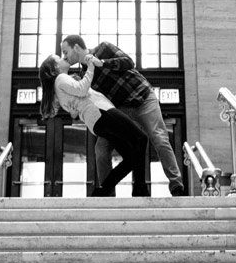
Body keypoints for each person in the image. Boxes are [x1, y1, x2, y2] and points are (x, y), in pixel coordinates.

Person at [60, 34, 187, 196]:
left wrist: (102, 63)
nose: (65, 56)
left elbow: (128, 62)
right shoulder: (85, 76)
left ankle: (176, 185)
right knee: (101, 149)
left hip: (142, 98)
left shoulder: (103, 48)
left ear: (76, 47)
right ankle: (107, 194)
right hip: (120, 110)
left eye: (66, 52)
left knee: (159, 138)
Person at [38, 53, 150, 196]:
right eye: (58, 58)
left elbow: (74, 110)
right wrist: (91, 65)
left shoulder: (59, 88)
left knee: (130, 157)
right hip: (102, 112)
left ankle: (103, 191)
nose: (63, 57)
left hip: (97, 121)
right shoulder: (60, 79)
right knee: (141, 138)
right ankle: (139, 189)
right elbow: (82, 89)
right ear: (54, 69)